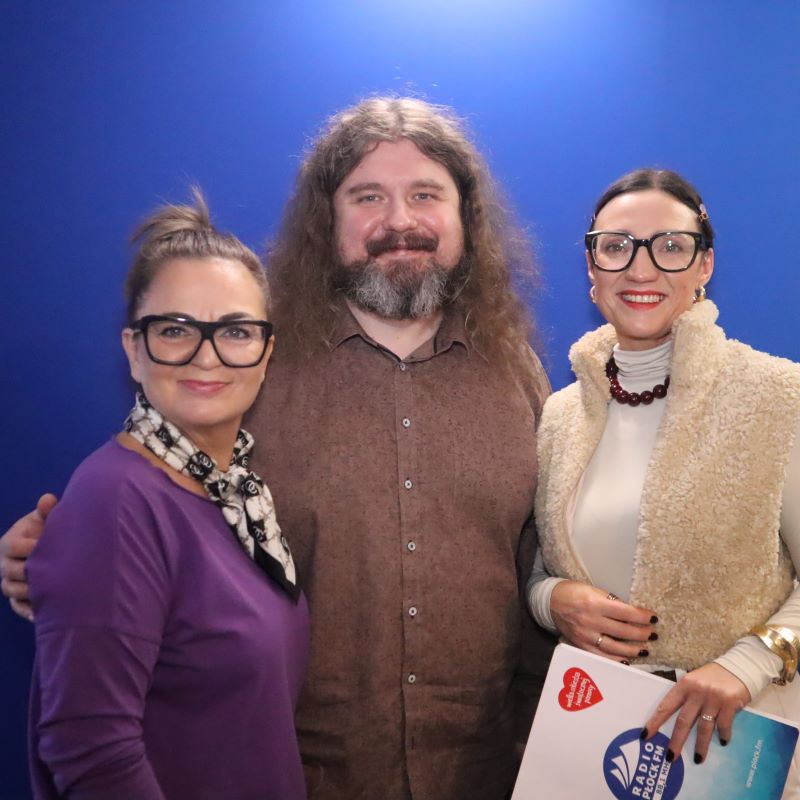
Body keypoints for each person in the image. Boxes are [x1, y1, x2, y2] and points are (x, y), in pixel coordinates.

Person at [1, 97, 553, 800]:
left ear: (465, 216)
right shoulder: (249, 365)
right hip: (301, 778)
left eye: (425, 195)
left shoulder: (518, 374)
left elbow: (547, 557)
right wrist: (50, 556)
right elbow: (148, 514)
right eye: (368, 197)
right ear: (328, 220)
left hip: (489, 774)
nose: (399, 221)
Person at [25, 192, 309, 799]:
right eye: (175, 330)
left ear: (266, 354)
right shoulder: (115, 501)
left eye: (236, 331)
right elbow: (91, 751)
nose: (207, 356)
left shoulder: (241, 497)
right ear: (133, 349)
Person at [528, 168, 800, 794]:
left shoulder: (778, 398)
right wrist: (549, 601)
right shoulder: (561, 415)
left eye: (671, 246)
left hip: (737, 754)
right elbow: (540, 567)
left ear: (705, 265)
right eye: (616, 246)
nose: (641, 269)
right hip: (596, 750)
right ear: (591, 267)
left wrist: (748, 664)